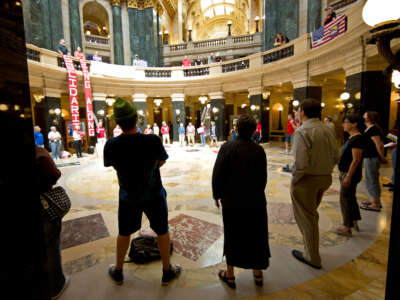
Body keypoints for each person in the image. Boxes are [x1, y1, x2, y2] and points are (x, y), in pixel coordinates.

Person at [104, 98, 181, 286]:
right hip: (154, 193)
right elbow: (161, 161)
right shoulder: (152, 140)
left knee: (124, 232)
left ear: (117, 122)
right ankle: (167, 271)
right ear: (137, 118)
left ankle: (119, 270)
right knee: (162, 231)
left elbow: (114, 166)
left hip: (128, 196)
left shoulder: (111, 145)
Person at [212, 115, 270, 289]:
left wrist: (217, 194)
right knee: (256, 234)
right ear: (254, 131)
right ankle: (258, 274)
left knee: (233, 234)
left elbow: (218, 173)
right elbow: (263, 178)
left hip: (232, 201)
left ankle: (230, 276)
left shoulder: (227, 148)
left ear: (236, 129)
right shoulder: (259, 150)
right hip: (256, 200)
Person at [290, 98, 339, 269]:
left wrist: (294, 181)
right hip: (325, 178)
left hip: (306, 181)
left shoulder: (302, 131)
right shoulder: (328, 129)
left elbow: (301, 164)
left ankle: (312, 257)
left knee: (307, 218)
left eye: (297, 110)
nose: (296, 113)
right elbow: (335, 156)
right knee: (311, 214)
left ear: (302, 112)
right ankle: (310, 250)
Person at [36, 145, 69, 299]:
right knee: (50, 246)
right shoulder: (38, 153)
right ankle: (55, 287)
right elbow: (53, 174)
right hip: (44, 203)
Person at [336, 114, 364, 237]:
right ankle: (354, 221)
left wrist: (348, 176)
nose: (343, 125)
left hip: (349, 173)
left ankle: (346, 227)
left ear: (354, 124)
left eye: (346, 122)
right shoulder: (352, 138)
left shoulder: (357, 139)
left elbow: (356, 160)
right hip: (348, 173)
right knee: (351, 198)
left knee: (345, 199)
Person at [360, 111, 387, 212]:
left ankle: (375, 203)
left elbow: (378, 144)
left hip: (372, 157)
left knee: (372, 180)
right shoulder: (370, 128)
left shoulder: (374, 129)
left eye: (365, 114)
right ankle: (374, 200)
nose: (363, 115)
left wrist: (382, 157)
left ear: (370, 117)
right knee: (370, 179)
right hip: (369, 157)